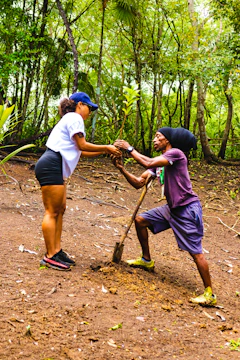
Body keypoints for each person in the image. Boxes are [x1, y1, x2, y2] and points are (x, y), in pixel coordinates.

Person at [112, 127, 217, 306]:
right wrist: (121, 169)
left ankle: (209, 294)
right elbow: (139, 183)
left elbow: (147, 162)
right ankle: (146, 260)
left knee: (195, 252)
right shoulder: (160, 163)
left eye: (158, 137)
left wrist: (129, 149)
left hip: (186, 209)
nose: (154, 140)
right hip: (172, 209)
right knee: (140, 221)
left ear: (167, 141)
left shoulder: (176, 154)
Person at [35, 92, 121, 271]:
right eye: (89, 108)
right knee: (52, 211)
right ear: (80, 104)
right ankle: (50, 256)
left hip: (55, 165)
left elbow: (81, 151)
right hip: (51, 164)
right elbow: (82, 145)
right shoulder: (74, 117)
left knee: (60, 209)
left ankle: (56, 250)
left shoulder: (70, 120)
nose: (89, 112)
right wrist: (106, 147)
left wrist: (107, 152)